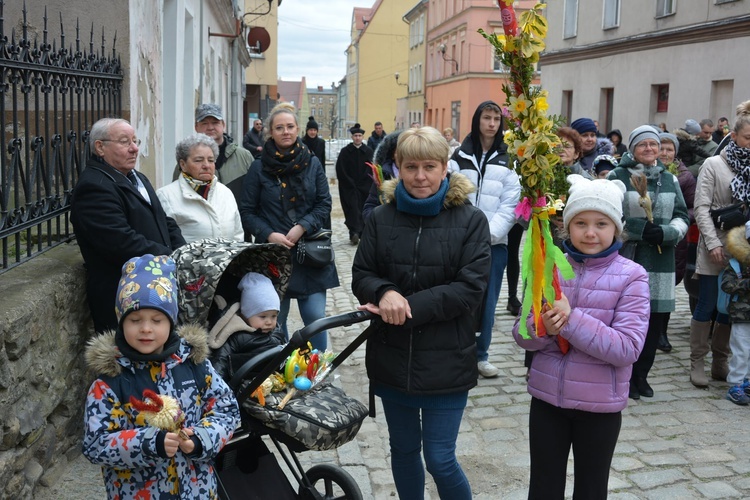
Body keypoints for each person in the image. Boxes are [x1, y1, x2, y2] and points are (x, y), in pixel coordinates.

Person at [352, 126, 491, 500]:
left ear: (445, 168)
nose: (420, 176)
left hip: (447, 358)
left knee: (440, 457)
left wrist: (405, 305)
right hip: (392, 356)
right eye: (411, 166)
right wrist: (384, 291)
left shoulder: (471, 220)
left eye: (430, 166)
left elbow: (470, 288)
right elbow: (362, 274)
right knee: (403, 451)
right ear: (397, 167)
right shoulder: (381, 218)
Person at [513, 174, 649, 500]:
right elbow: (524, 336)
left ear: (616, 228)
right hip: (547, 400)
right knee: (543, 488)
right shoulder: (551, 268)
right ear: (566, 227)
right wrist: (542, 327)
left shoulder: (632, 276)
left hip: (599, 408)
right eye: (581, 223)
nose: (590, 232)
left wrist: (570, 319)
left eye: (601, 223)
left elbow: (627, 348)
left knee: (590, 488)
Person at [82, 254, 240, 499]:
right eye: (135, 320)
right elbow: (96, 444)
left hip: (197, 492)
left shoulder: (194, 365)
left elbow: (226, 408)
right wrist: (149, 443)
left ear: (171, 321)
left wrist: (200, 438)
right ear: (122, 322)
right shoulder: (111, 380)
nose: (146, 328)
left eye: (157, 320)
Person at [71, 118, 185, 333]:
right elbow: (120, 242)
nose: (134, 148)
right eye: (125, 142)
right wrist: (170, 257)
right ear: (100, 147)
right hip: (124, 297)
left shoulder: (136, 177)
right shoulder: (95, 187)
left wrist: (183, 251)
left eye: (135, 140)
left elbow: (164, 219)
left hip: (155, 288)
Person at [240, 102, 339, 350]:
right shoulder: (258, 167)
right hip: (272, 256)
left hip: (310, 253)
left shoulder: (312, 163)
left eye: (290, 126)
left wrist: (302, 226)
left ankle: (317, 371)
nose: (286, 131)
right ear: (270, 132)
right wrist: (268, 234)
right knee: (275, 321)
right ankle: (279, 369)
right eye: (279, 127)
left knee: (315, 318)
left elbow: (323, 203)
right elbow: (247, 212)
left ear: (297, 130)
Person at [607, 125, 689, 399]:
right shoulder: (618, 176)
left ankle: (642, 374)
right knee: (629, 318)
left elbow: (682, 215)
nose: (650, 149)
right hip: (629, 256)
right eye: (643, 145)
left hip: (660, 259)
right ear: (632, 148)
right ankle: (625, 376)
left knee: (654, 321)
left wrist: (667, 233)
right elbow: (610, 216)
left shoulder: (669, 179)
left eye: (654, 145)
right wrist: (640, 230)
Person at [448, 100, 521, 378]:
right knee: (460, 297)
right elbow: (453, 196)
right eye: (486, 118)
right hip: (460, 242)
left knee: (488, 301)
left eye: (496, 119)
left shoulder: (508, 158)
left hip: (494, 244)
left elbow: (511, 203)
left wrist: (488, 234)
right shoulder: (459, 157)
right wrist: (466, 232)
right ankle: (457, 352)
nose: (491, 124)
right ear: (477, 120)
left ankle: (481, 354)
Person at [690, 101, 750, 387]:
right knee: (708, 304)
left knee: (731, 306)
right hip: (713, 245)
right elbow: (701, 208)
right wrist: (713, 243)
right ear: (734, 136)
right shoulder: (714, 164)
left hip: (742, 250)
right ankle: (697, 362)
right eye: (748, 138)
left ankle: (720, 361)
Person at [156, 133, 243, 243]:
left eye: (211, 160)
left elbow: (238, 235)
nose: (206, 165)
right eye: (198, 160)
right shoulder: (166, 196)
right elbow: (165, 241)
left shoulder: (225, 192)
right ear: (183, 164)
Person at [209, 271, 286, 381]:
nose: (269, 322)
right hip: (243, 386)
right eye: (263, 317)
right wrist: (216, 384)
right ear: (246, 314)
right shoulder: (235, 335)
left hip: (273, 380)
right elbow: (221, 361)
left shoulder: (276, 331)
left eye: (274, 316)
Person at [658, 132, 696, 352]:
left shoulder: (684, 176)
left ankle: (662, 332)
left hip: (675, 239)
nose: (665, 153)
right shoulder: (643, 171)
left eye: (669, 149)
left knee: (667, 287)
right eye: (661, 148)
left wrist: (677, 218)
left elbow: (693, 207)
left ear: (676, 152)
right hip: (650, 236)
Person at [173, 103, 255, 205]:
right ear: (196, 127)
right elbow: (176, 195)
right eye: (204, 123)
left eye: (215, 122)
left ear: (223, 125)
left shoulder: (244, 157)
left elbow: (255, 193)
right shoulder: (186, 161)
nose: (210, 127)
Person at [721, 225, 750, 405]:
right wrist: (746, 284)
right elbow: (727, 285)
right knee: (741, 349)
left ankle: (747, 381)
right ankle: (735, 384)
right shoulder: (736, 262)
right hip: (741, 315)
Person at [336, 123, 374, 245]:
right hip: (349, 187)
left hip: (364, 186)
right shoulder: (345, 152)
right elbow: (341, 169)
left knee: (363, 207)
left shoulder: (368, 151)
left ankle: (362, 231)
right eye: (355, 135)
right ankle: (354, 232)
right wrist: (349, 181)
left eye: (359, 135)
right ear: (352, 137)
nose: (357, 138)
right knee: (351, 208)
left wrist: (365, 180)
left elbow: (372, 168)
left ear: (363, 137)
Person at [363, 129, 403, 220]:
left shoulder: (420, 176)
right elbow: (368, 209)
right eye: (399, 151)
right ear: (392, 155)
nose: (403, 155)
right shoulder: (382, 175)